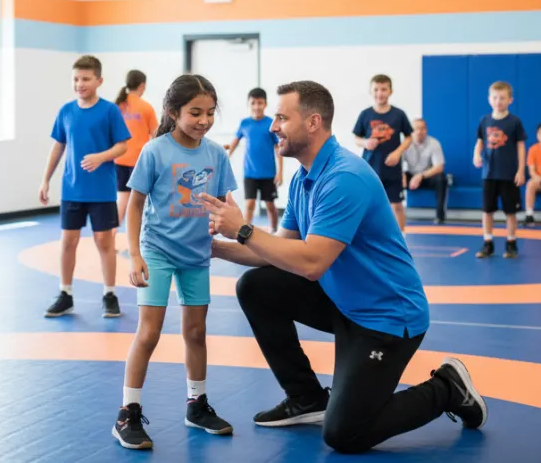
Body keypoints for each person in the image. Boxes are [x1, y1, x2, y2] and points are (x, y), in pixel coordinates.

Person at [200, 81, 485, 455]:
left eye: (282, 118)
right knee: (255, 286)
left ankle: (448, 388)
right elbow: (278, 250)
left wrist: (243, 229)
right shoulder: (304, 178)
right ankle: (305, 398)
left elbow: (312, 263)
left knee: (345, 434)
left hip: (386, 319)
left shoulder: (343, 177)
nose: (273, 127)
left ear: (313, 123)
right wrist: (215, 249)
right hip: (344, 303)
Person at [114, 75, 237, 450]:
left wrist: (232, 223)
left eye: (210, 113)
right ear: (172, 111)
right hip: (158, 251)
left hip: (196, 254)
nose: (204, 120)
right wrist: (135, 254)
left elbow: (225, 203)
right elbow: (135, 205)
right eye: (195, 112)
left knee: (196, 332)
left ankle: (196, 405)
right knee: (149, 333)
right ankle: (127, 413)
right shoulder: (155, 151)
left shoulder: (216, 154)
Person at [40, 55, 132, 318]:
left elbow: (122, 145)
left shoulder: (109, 111)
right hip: (72, 189)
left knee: (104, 242)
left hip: (102, 190)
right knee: (68, 241)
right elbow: (58, 146)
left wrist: (101, 157)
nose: (80, 84)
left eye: (86, 79)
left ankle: (109, 294)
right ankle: (65, 294)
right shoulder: (66, 111)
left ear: (99, 81)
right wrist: (45, 179)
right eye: (76, 79)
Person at [352, 74, 413, 231]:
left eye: (384, 89)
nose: (380, 93)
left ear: (390, 91)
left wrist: (397, 153)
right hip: (370, 168)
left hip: (392, 169)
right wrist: (365, 142)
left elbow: (409, 137)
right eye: (376, 89)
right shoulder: (365, 114)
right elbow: (356, 138)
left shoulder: (399, 114)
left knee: (397, 206)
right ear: (371, 91)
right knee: (367, 206)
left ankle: (401, 240)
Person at [473, 81, 526, 258]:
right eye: (495, 98)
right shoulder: (484, 120)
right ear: (489, 99)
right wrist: (476, 155)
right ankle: (487, 242)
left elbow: (521, 146)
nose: (498, 101)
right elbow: (480, 141)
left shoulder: (514, 122)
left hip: (509, 174)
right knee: (487, 210)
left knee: (511, 211)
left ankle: (511, 243)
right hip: (489, 174)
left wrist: (521, 170)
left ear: (510, 100)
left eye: (502, 98)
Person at [225, 87, 283, 232]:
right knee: (249, 204)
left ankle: (274, 230)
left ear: (265, 104)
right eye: (253, 103)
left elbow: (278, 148)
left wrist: (280, 172)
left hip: (268, 174)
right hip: (250, 173)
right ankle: (246, 233)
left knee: (270, 205)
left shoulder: (271, 124)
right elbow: (235, 142)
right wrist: (226, 157)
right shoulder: (244, 123)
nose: (257, 106)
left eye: (260, 103)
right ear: (249, 104)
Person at [114, 69, 159, 231]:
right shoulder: (146, 107)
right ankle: (137, 238)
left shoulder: (117, 106)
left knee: (122, 199)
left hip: (119, 159)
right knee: (139, 203)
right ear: (142, 86)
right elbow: (156, 135)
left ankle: (112, 233)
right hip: (139, 162)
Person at [401, 118, 448, 224]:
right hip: (410, 176)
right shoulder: (405, 143)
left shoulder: (434, 143)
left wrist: (420, 176)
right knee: (395, 177)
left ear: (426, 130)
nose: (419, 131)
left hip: (427, 176)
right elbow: (398, 163)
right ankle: (396, 213)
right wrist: (401, 174)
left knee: (441, 179)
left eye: (422, 128)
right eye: (416, 129)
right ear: (411, 130)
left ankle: (440, 216)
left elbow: (439, 167)